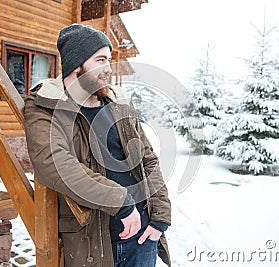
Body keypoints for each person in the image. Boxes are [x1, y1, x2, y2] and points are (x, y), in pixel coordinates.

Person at [24, 24, 171, 267]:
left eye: (109, 60)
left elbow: (147, 160)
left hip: (143, 238)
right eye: (100, 60)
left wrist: (160, 217)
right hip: (93, 244)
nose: (108, 68)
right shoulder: (46, 106)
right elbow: (54, 164)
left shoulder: (118, 103)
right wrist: (121, 202)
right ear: (76, 64)